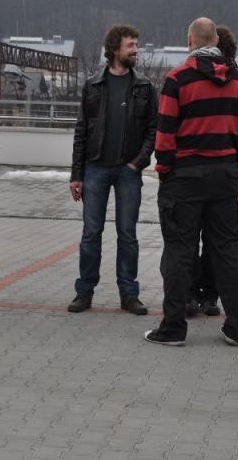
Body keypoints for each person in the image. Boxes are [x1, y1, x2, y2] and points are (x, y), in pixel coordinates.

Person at [144, 17, 238, 347]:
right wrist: (237, 166)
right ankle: (237, 326)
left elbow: (165, 132)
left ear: (189, 42)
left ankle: (173, 328)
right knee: (226, 251)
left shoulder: (177, 79)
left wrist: (165, 169)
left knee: (179, 252)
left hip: (184, 177)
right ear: (217, 40)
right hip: (223, 176)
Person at [67, 24, 157, 315]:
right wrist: (76, 175)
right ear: (115, 48)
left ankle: (129, 294)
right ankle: (84, 292)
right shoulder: (93, 84)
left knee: (127, 234)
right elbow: (81, 130)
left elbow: (153, 130)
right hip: (95, 168)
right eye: (131, 45)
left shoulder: (144, 86)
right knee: (91, 233)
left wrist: (137, 163)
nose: (135, 50)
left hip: (128, 171)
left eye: (136, 45)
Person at [186, 25, 238, 318]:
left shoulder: (186, 77)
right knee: (220, 242)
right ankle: (211, 295)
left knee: (188, 238)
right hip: (226, 175)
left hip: (190, 175)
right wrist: (237, 164)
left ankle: (191, 294)